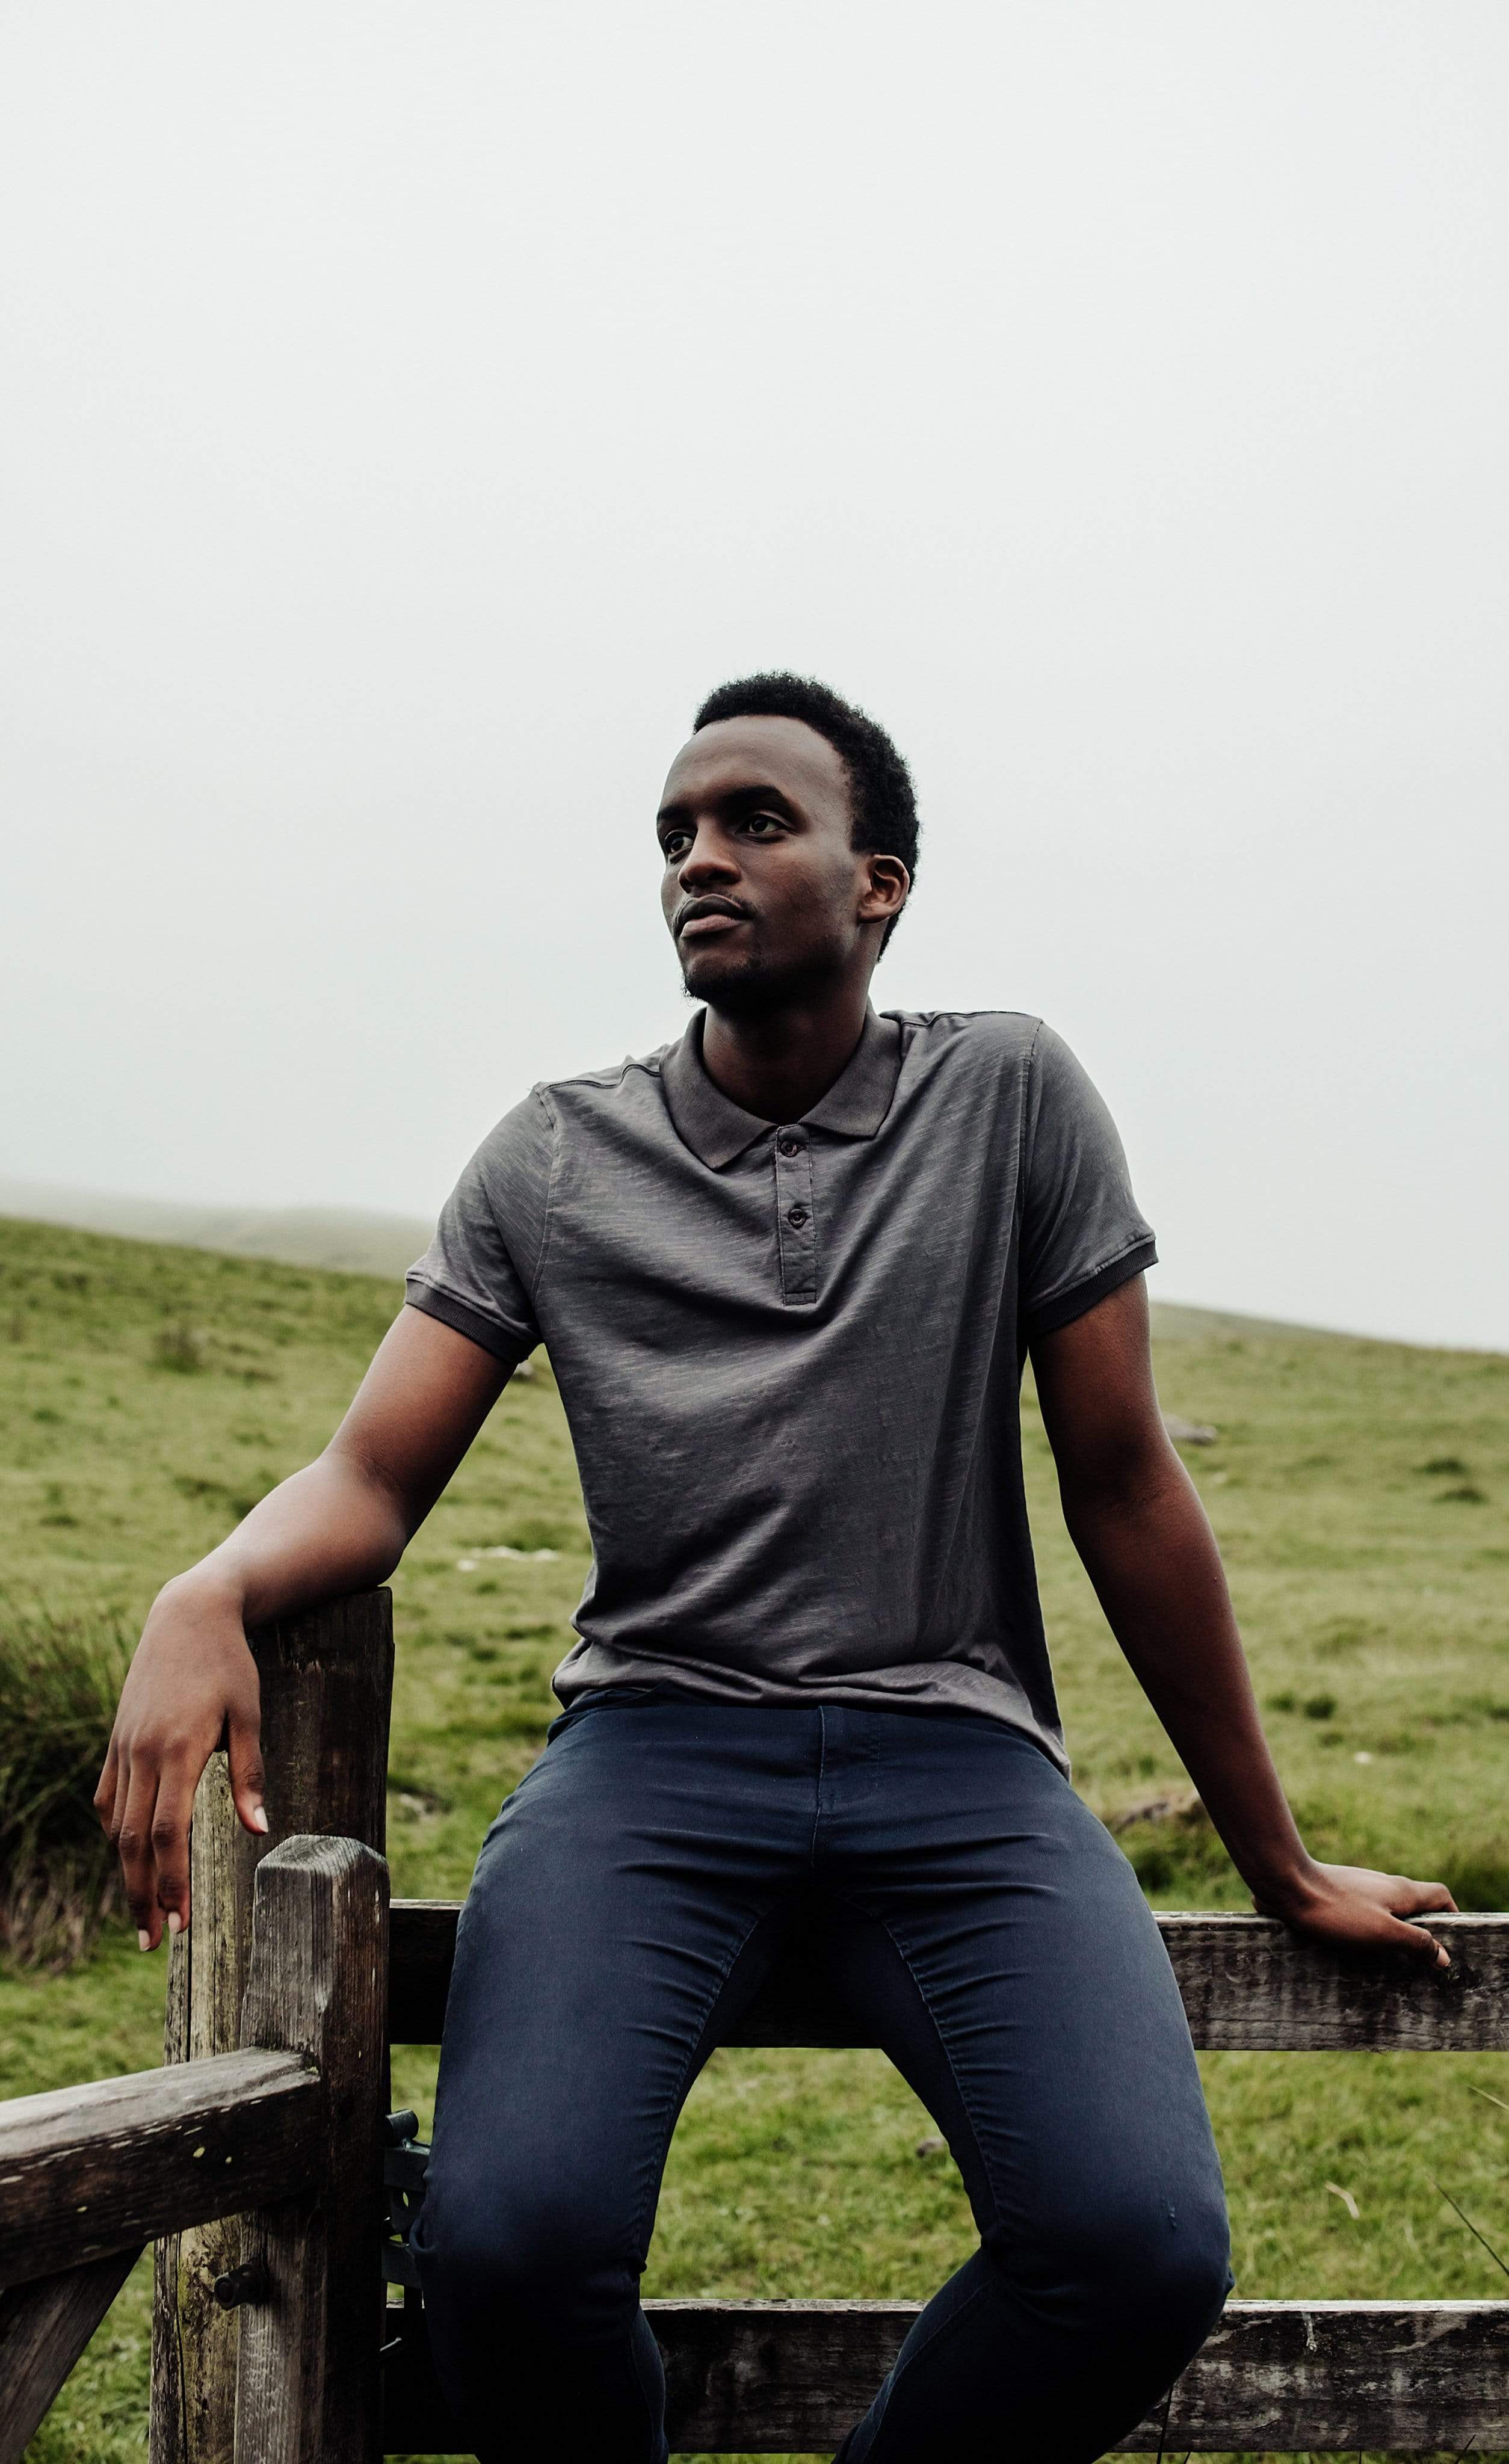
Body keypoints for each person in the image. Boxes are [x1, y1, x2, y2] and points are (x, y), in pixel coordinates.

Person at [97, 672, 1455, 2464]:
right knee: (507, 2256)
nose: (699, 860)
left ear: (879, 883)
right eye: (674, 833)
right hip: (651, 1758)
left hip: (960, 1763)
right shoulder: (556, 1155)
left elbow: (1124, 1484)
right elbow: (370, 1473)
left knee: (1133, 2252)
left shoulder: (1010, 1095)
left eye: (755, 821)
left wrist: (1272, 1855)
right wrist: (202, 1590)